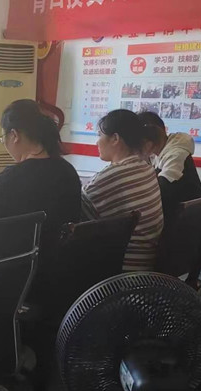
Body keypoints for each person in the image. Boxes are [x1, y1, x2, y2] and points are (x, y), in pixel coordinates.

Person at [0, 99, 81, 290]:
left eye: (3, 138)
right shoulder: (68, 171)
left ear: (14, 135)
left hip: (17, 276)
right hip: (58, 273)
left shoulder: (13, 177)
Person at [82, 109, 163, 272]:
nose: (97, 142)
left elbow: (77, 221)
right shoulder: (146, 168)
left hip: (120, 270)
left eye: (99, 135)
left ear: (115, 139)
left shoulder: (108, 178)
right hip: (148, 264)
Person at [138, 111, 201, 218]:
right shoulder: (154, 154)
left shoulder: (177, 154)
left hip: (185, 220)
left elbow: (162, 189)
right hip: (172, 213)